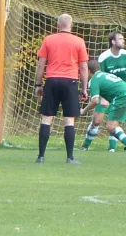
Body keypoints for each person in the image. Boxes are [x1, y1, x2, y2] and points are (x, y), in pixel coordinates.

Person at [34, 14, 89, 164]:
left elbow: (41, 64)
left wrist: (38, 84)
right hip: (70, 81)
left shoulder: (49, 39)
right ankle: (70, 157)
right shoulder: (79, 41)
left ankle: (41, 156)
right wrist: (84, 88)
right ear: (71, 25)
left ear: (58, 25)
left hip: (52, 80)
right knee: (69, 120)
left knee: (46, 118)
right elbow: (83, 67)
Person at [80, 31, 126, 152]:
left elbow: (95, 99)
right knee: (98, 121)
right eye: (120, 38)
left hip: (121, 94)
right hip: (118, 93)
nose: (123, 40)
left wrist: (84, 110)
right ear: (113, 41)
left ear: (89, 71)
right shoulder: (104, 57)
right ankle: (86, 146)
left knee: (114, 124)